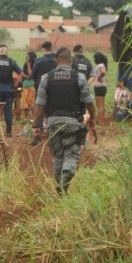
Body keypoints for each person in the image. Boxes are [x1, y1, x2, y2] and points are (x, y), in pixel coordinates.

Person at [32, 47, 97, 194]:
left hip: (53, 122)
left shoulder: (46, 78)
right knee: (72, 154)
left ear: (56, 61)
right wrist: (92, 118)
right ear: (70, 60)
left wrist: (35, 125)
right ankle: (65, 179)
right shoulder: (79, 77)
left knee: (58, 155)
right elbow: (89, 102)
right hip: (73, 122)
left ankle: (61, 188)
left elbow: (39, 105)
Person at [29, 41, 57, 145]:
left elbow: (33, 75)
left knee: (39, 113)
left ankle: (38, 138)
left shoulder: (39, 61)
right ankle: (52, 137)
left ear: (43, 49)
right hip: (54, 90)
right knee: (52, 113)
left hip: (41, 89)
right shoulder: (56, 60)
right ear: (51, 48)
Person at [93, 52, 108, 125]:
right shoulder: (102, 64)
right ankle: (100, 120)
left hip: (99, 87)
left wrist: (99, 78)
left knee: (100, 105)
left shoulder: (100, 65)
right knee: (100, 105)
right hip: (101, 87)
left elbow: (103, 72)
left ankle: (101, 121)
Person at [20, 51, 37, 120]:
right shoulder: (25, 64)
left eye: (28, 57)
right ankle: (25, 117)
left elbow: (31, 74)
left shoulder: (35, 64)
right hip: (25, 85)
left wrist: (29, 65)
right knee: (25, 102)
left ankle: (33, 117)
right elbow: (22, 74)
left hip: (32, 85)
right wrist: (27, 77)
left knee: (32, 102)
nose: (27, 58)